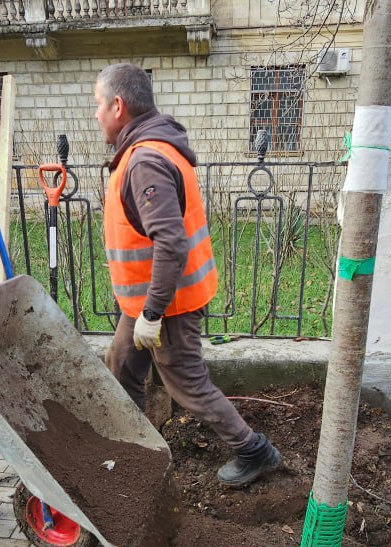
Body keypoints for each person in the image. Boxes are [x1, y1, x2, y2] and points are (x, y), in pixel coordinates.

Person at [93, 63, 282, 488]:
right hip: (146, 301)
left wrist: (154, 314)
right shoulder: (154, 146)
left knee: (186, 385)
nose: (97, 115)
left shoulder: (145, 161)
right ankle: (136, 450)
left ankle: (253, 450)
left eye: (98, 105)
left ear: (118, 106)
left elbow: (172, 243)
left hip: (166, 304)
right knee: (122, 364)